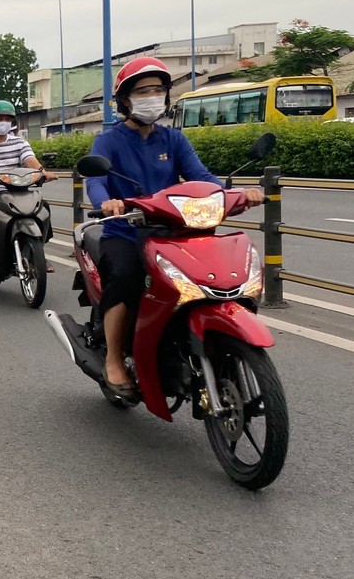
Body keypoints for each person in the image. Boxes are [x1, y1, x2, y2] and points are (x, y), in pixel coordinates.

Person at [85, 57, 264, 400]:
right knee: (125, 279)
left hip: (173, 232)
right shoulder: (108, 142)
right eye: (143, 91)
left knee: (216, 275)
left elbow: (202, 177)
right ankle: (113, 360)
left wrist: (236, 194)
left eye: (158, 89)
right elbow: (96, 181)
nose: (152, 96)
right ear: (125, 99)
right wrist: (108, 202)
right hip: (126, 231)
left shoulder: (174, 140)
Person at [0, 101, 54, 271]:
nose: (3, 122)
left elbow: (31, 161)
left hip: (16, 191)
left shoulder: (20, 143)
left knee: (44, 208)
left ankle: (39, 251)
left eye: (7, 118)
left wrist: (43, 172)